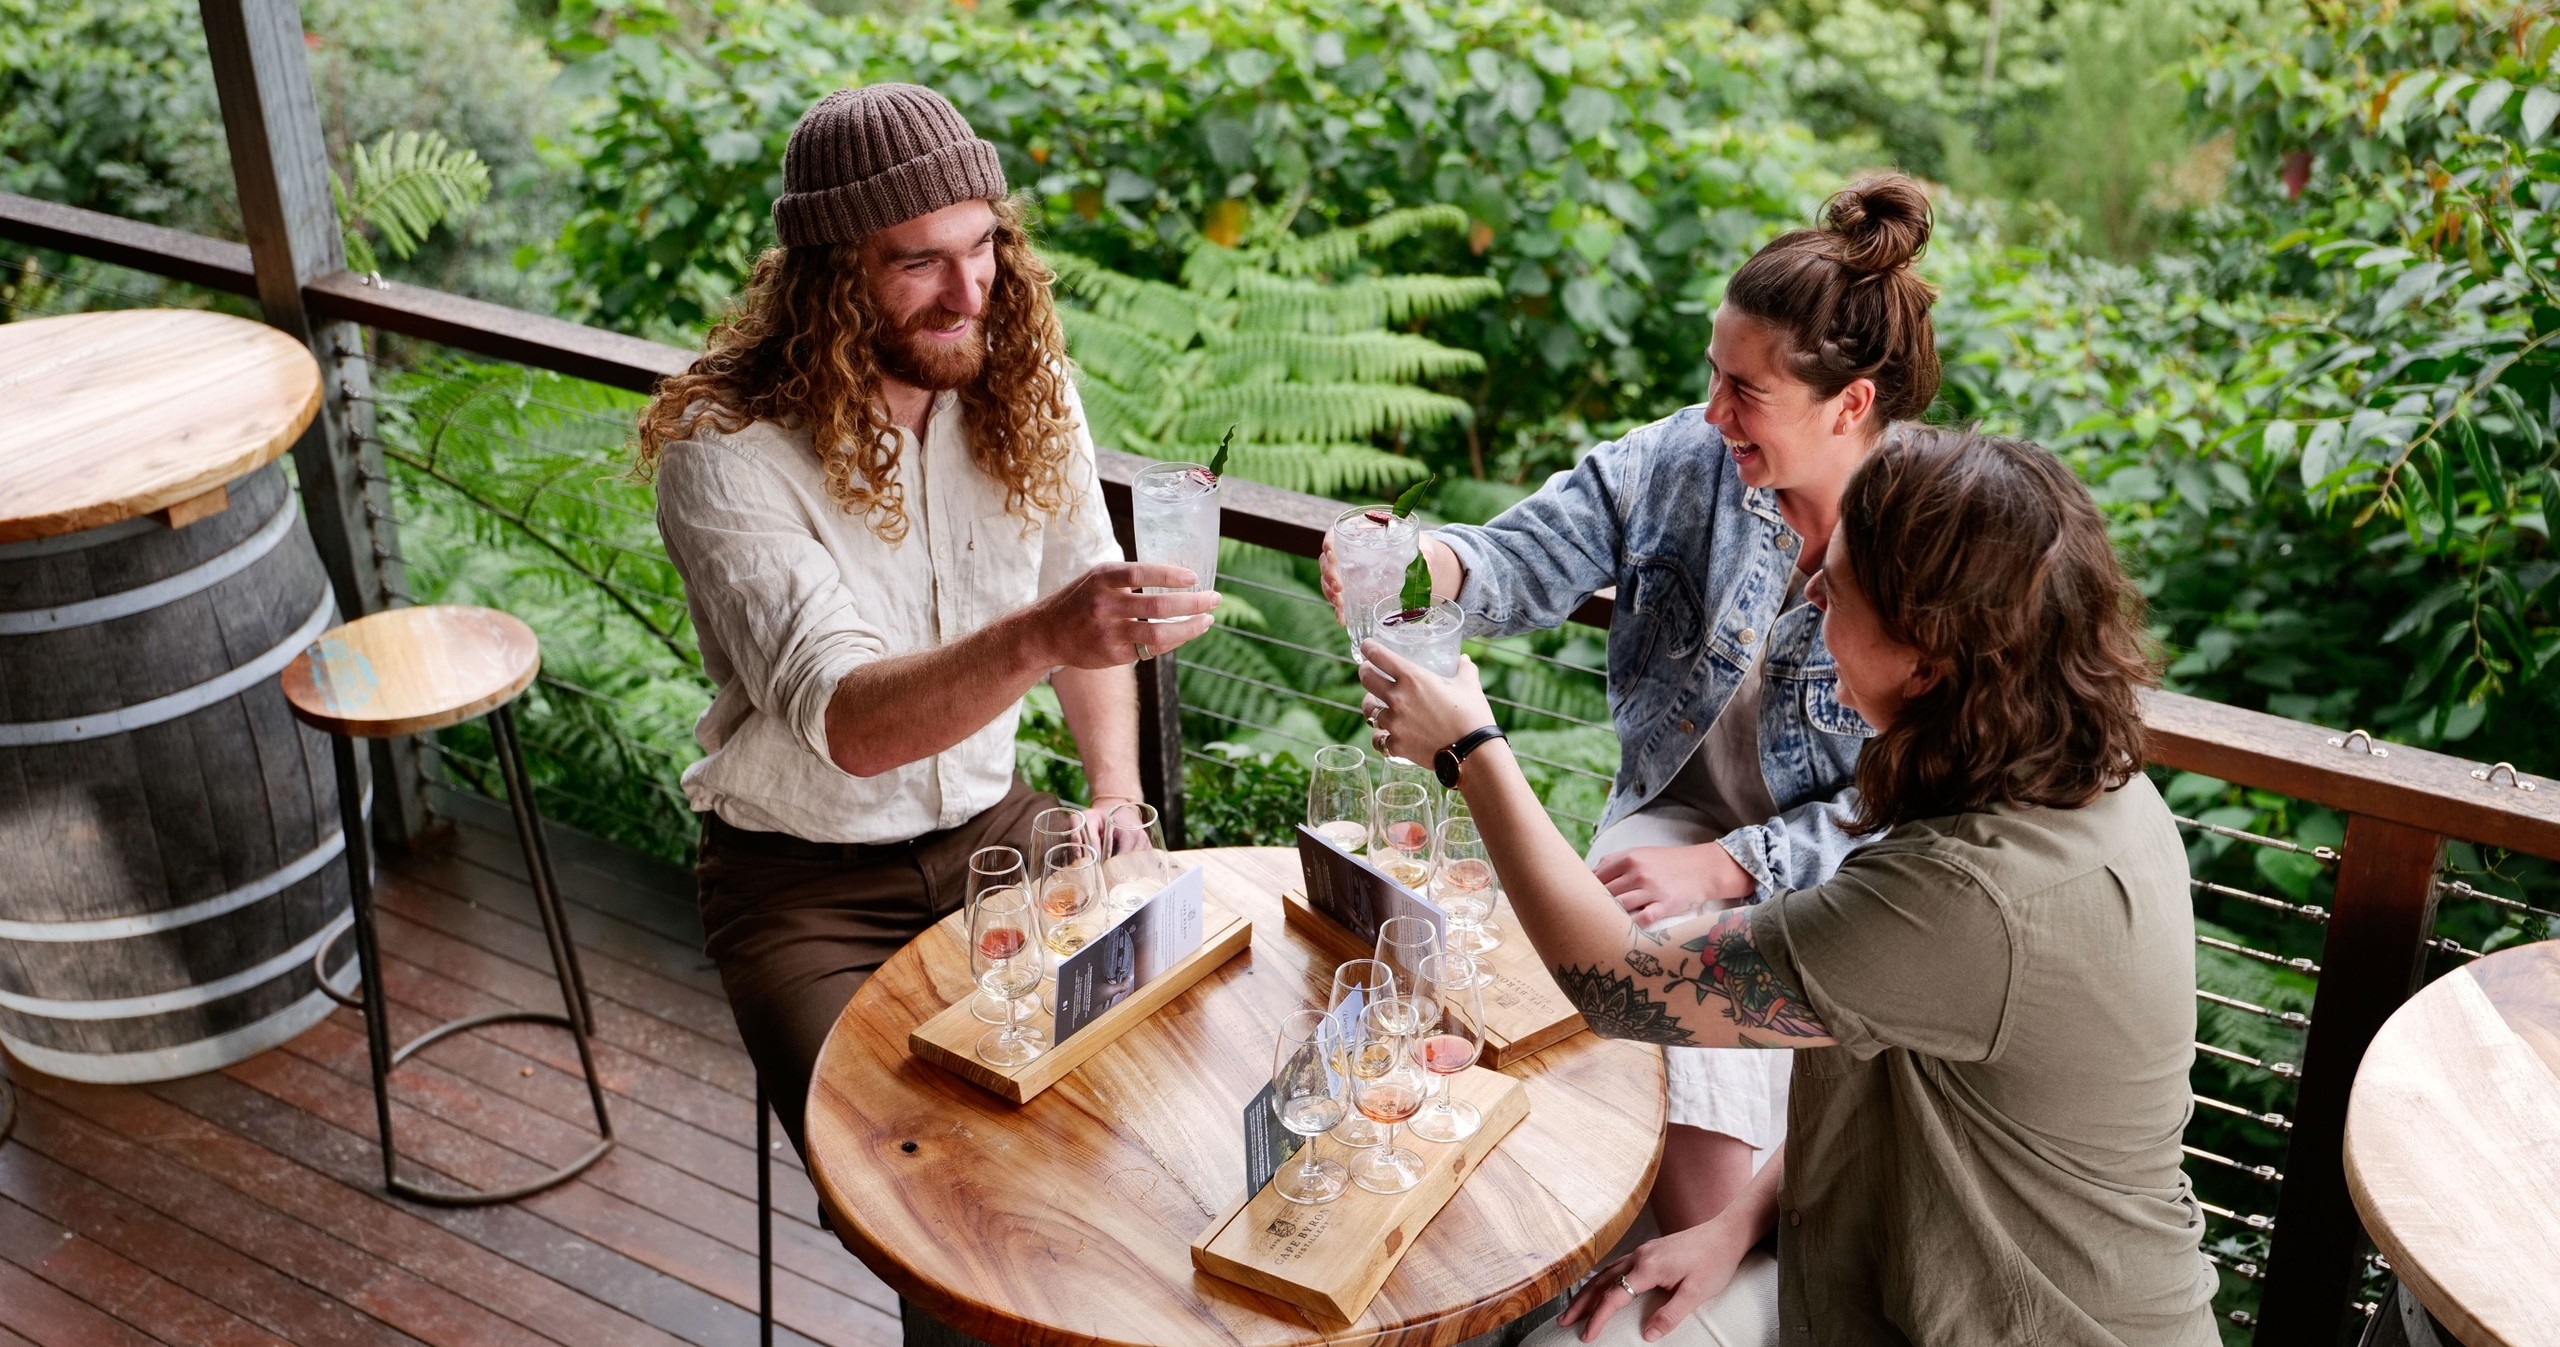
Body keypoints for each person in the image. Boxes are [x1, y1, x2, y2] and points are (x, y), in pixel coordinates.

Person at [1362, 428, 2217, 1347]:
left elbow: (1614, 982)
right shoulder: (2085, 783)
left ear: (1926, 662)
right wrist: (1733, 1224)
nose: (1806, 594)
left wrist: (1472, 751)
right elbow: (1902, 1084)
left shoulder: (1966, 895)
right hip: (1883, 1280)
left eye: (1837, 590)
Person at [1325, 175, 1942, 1229]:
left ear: (1851, 404)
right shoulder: (1685, 462)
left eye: (1747, 393)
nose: (1713, 412)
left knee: (1675, 1043)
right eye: (1714, 374)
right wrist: (1420, 561)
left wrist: (1734, 864)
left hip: (1839, 867)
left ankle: (1686, 1280)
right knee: (1635, 1030)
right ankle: (1677, 1270)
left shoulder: (1933, 540)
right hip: (1668, 819)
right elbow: (1518, 556)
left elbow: (1928, 795)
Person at [637, 83, 1218, 1156]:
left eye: (983, 244)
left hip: (995, 831)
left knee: (1140, 1069)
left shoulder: (1023, 379)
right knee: (920, 1169)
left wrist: (1117, 794)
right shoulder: (725, 452)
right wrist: (1043, 633)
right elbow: (851, 726)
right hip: (800, 887)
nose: (968, 293)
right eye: (917, 262)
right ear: (830, 279)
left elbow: (1080, 595)